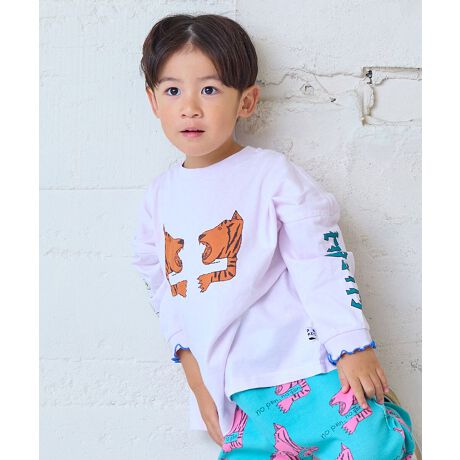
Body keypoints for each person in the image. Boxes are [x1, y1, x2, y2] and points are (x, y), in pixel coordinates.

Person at [132, 13, 417, 460]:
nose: (190, 107)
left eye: (210, 89)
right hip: (233, 390)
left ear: (246, 101)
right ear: (153, 101)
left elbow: (320, 258)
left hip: (302, 364)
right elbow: (162, 287)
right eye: (172, 91)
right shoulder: (158, 197)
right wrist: (195, 377)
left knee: (369, 445)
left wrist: (351, 344)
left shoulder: (270, 175)